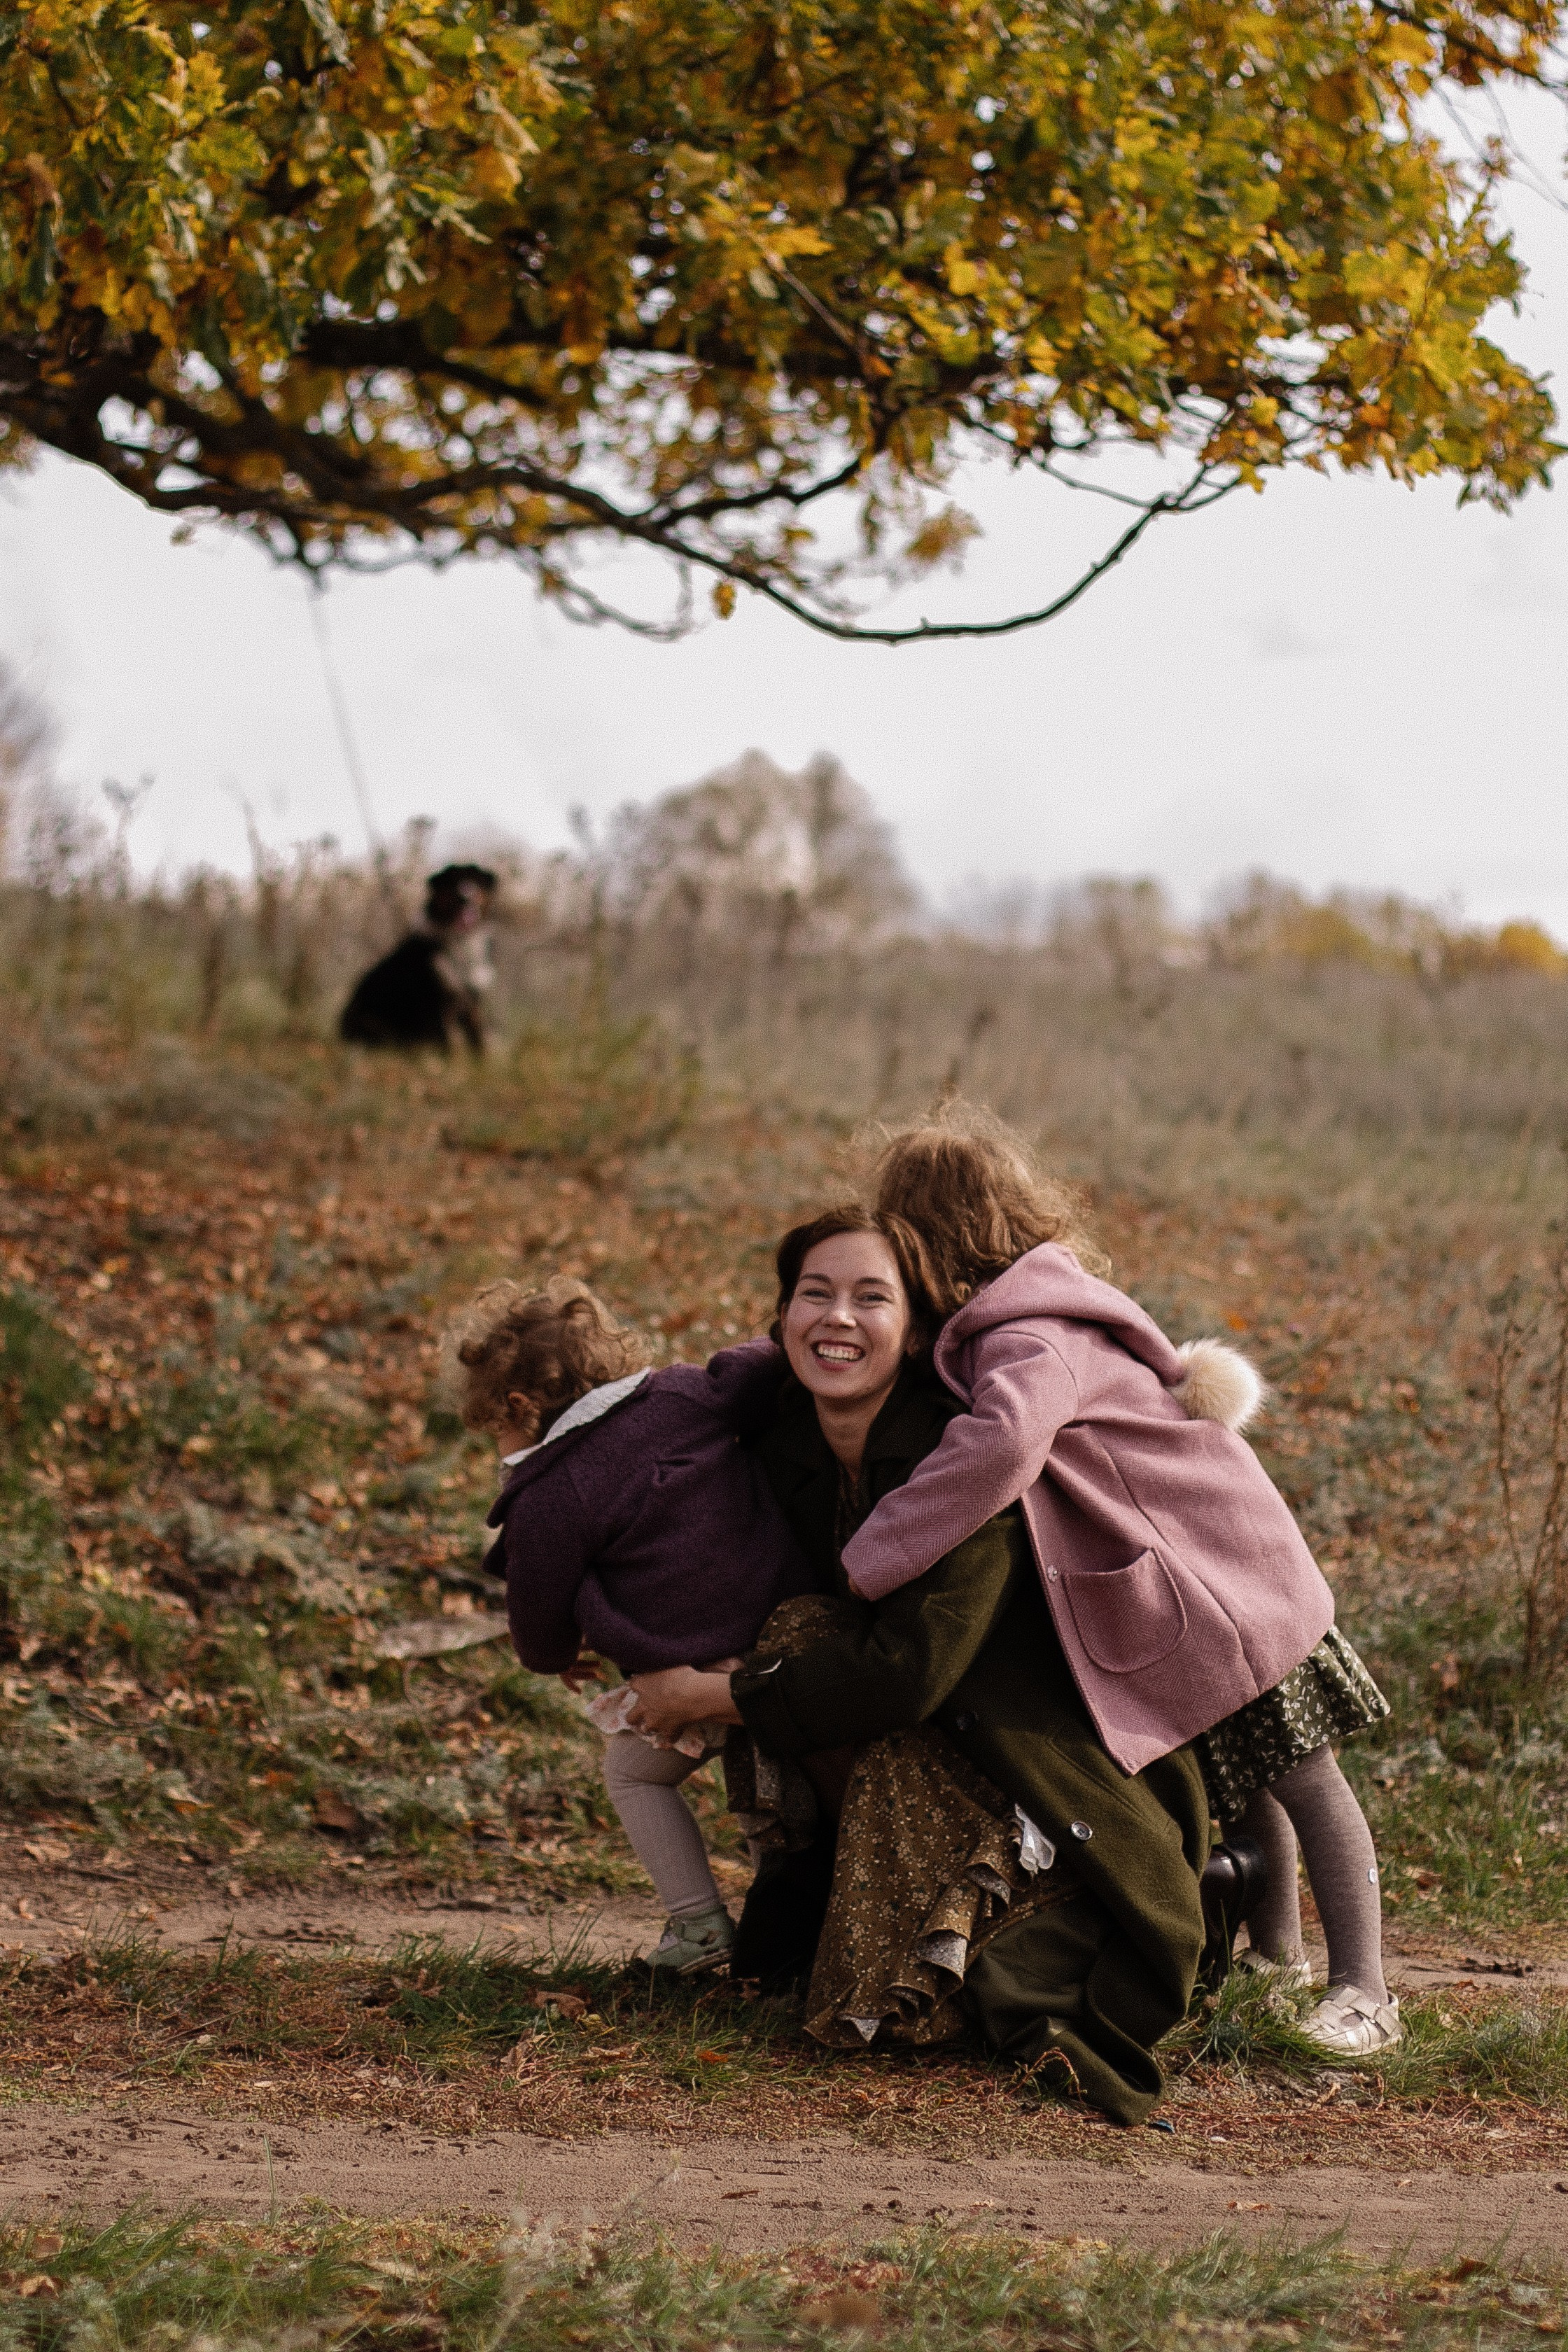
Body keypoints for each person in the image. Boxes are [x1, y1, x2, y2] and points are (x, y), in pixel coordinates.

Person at [832, 1108, 1397, 2057]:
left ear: (930, 1243)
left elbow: (1000, 1448)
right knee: (1247, 1773)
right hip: (1202, 1578)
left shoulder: (1030, 1337)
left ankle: (1368, 1990)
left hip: (1227, 1587)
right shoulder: (1034, 1316)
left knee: (1305, 1778)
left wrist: (875, 1550)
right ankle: (1280, 1957)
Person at [631, 1209, 1214, 2127]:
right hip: (917, 1735)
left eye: (873, 1298)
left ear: (916, 1328)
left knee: (814, 1656)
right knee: (796, 1632)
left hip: (1039, 1764)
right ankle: (850, 1928)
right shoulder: (784, 1437)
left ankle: (981, 1958)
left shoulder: (966, 1455)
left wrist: (719, 1695)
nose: (839, 1320)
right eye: (814, 1295)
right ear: (780, 1315)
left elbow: (912, 1674)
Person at [447, 1274, 818, 1975]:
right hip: (789, 1628)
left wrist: (552, 1654)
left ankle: (699, 1925)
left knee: (633, 1777)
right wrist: (787, 1337)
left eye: (494, 1426)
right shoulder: (680, 1394)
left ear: (521, 1406)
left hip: (694, 1667)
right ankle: (797, 1936)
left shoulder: (551, 1493)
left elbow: (536, 1600)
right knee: (779, 1791)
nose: (497, 1444)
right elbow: (749, 1369)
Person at [340, 863, 498, 1052]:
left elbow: (469, 1007)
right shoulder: (422, 951)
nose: (466, 896)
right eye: (453, 888)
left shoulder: (478, 946)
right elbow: (439, 1011)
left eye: (477, 888)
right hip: (377, 1033)